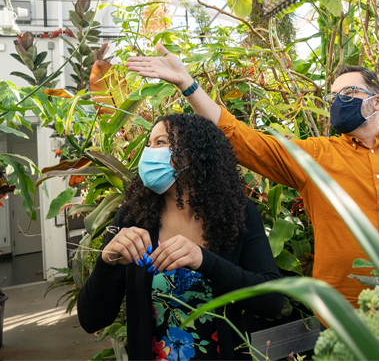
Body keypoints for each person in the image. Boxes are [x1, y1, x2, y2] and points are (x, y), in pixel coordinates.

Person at [126, 44, 379, 306]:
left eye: (347, 94)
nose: (336, 102)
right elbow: (242, 139)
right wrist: (188, 84)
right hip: (347, 318)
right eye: (333, 96)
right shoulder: (317, 155)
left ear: (377, 103)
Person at [77, 114, 283, 360]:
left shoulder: (237, 213)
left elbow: (272, 302)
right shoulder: (134, 215)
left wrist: (204, 260)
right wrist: (107, 261)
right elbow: (91, 319)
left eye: (160, 142)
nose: (149, 152)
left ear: (193, 154)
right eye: (149, 144)